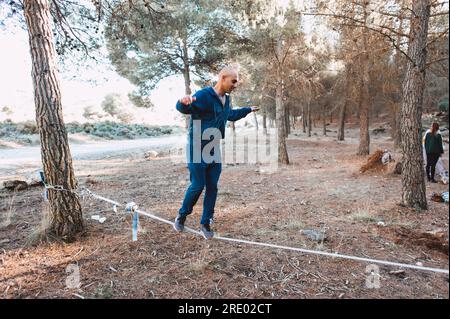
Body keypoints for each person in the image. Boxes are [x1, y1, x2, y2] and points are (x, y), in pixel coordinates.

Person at [174, 66, 259, 239]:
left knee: (212, 186)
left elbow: (231, 115)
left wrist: (248, 109)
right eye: (233, 81)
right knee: (198, 185)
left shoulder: (226, 99)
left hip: (213, 147)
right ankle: (181, 216)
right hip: (197, 147)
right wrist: (182, 102)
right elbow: (185, 108)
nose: (235, 85)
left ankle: (205, 223)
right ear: (223, 78)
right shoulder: (205, 95)